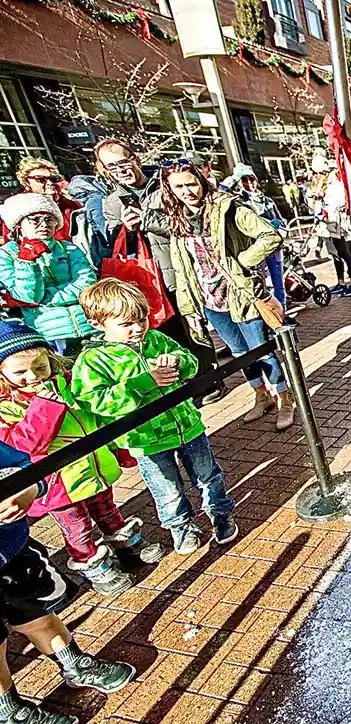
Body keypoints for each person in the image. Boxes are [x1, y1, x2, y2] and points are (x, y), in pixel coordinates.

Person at [71, 278, 239, 555]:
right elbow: (95, 401)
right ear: (97, 324)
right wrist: (144, 382)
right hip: (145, 439)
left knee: (209, 475)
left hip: (187, 425)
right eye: (126, 324)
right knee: (167, 490)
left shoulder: (156, 338)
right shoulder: (92, 361)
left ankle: (221, 513)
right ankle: (181, 527)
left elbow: (191, 362)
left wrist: (179, 362)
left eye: (141, 319)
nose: (138, 328)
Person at [0, 321, 163, 595]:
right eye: (20, 372)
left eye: (40, 367)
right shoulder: (6, 407)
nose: (33, 376)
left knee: (107, 508)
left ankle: (124, 544)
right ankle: (92, 564)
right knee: (77, 528)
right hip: (58, 484)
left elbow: (94, 417)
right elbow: (23, 448)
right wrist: (44, 407)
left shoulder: (68, 381)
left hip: (95, 466)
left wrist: (117, 447)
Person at [0, 440, 137, 724]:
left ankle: (73, 663)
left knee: (37, 613)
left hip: (12, 550)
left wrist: (28, 490)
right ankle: (8, 710)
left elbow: (29, 469)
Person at [159, 161, 295, 429]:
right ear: (170, 190)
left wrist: (242, 262)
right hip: (210, 301)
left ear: (201, 181)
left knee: (262, 351)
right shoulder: (176, 219)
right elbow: (181, 270)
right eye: (179, 187)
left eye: (191, 183)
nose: (187, 191)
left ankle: (285, 399)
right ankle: (261, 395)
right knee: (238, 352)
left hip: (242, 295)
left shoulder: (226, 207)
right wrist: (189, 310)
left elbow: (270, 236)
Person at [96, 139, 222, 405]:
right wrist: (126, 230)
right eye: (112, 167)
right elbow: (114, 244)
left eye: (123, 162)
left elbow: (187, 223)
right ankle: (177, 384)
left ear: (135, 158)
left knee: (191, 327)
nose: (120, 170)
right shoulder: (110, 202)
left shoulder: (165, 184)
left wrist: (148, 220)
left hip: (177, 272)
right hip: (143, 280)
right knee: (161, 334)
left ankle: (207, 380)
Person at [0, 193, 95, 355]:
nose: (44, 224)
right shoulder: (6, 255)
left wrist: (46, 299)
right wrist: (26, 262)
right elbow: (28, 297)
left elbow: (87, 283)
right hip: (49, 332)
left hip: (89, 324)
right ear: (18, 224)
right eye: (35, 219)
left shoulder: (69, 248)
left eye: (49, 219)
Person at [231, 163, 287, 308]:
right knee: (260, 285)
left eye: (251, 179)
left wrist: (279, 226)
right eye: (244, 180)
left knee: (278, 283)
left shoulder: (268, 201)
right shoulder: (239, 203)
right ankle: (268, 316)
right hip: (255, 249)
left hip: (274, 249)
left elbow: (281, 221)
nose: (249, 183)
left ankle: (282, 313)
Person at [10, 157, 81, 245]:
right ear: (26, 182)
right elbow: (12, 244)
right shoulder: (17, 209)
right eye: (40, 179)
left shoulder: (72, 205)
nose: (49, 183)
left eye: (54, 179)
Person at [323, 167, 351, 297]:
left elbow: (343, 203)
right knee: (336, 254)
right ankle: (341, 282)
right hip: (329, 226)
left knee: (346, 254)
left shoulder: (338, 186)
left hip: (341, 226)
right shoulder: (325, 187)